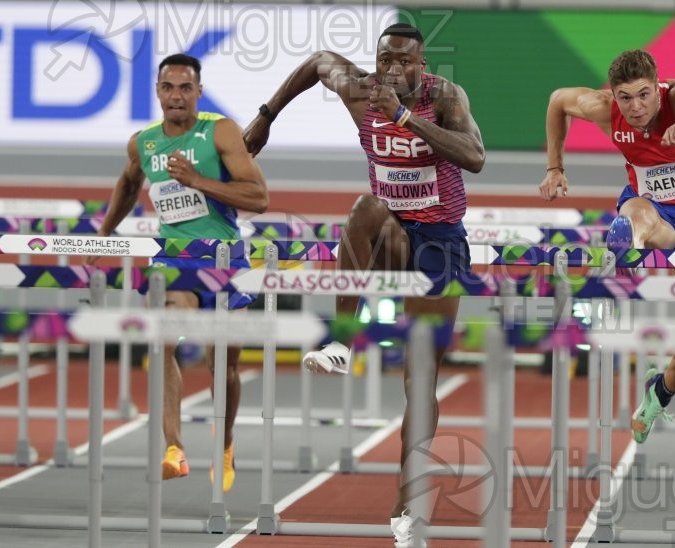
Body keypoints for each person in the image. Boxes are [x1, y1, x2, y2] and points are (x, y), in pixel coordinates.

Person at [243, 23, 484, 547]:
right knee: (366, 206)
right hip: (392, 235)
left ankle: (407, 496)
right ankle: (340, 340)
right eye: (386, 61)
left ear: (422, 66)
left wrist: (405, 119)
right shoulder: (358, 90)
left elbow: (475, 158)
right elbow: (316, 62)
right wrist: (265, 118)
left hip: (440, 239)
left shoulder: (444, 98)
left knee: (421, 375)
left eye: (405, 63)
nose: (394, 70)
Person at [539, 49, 675, 443]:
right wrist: (555, 167)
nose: (635, 108)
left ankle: (660, 390)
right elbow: (557, 101)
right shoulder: (604, 108)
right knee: (636, 211)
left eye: (643, 95)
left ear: (656, 87)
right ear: (613, 95)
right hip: (653, 211)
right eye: (625, 97)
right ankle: (628, 246)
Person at [87, 53, 269, 491]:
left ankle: (223, 445)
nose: (176, 96)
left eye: (185, 88)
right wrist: (105, 233)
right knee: (161, 340)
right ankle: (174, 448)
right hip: (174, 258)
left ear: (198, 92)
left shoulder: (219, 131)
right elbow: (130, 183)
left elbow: (259, 197)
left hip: (225, 259)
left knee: (221, 363)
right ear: (157, 92)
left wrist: (197, 181)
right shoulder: (143, 143)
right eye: (169, 87)